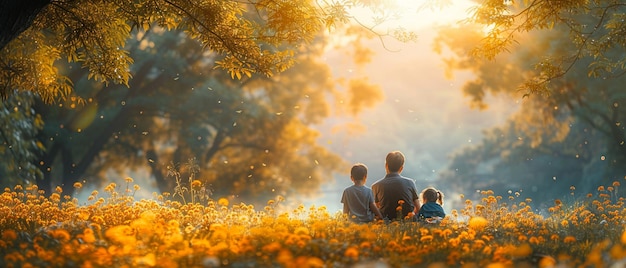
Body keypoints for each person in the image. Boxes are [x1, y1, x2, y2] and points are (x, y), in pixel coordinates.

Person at [371, 151, 420, 221]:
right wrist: (410, 216)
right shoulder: (410, 183)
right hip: (408, 223)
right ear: (401, 168)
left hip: (386, 224)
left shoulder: (376, 186)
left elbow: (376, 209)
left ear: (386, 165)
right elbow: (418, 208)